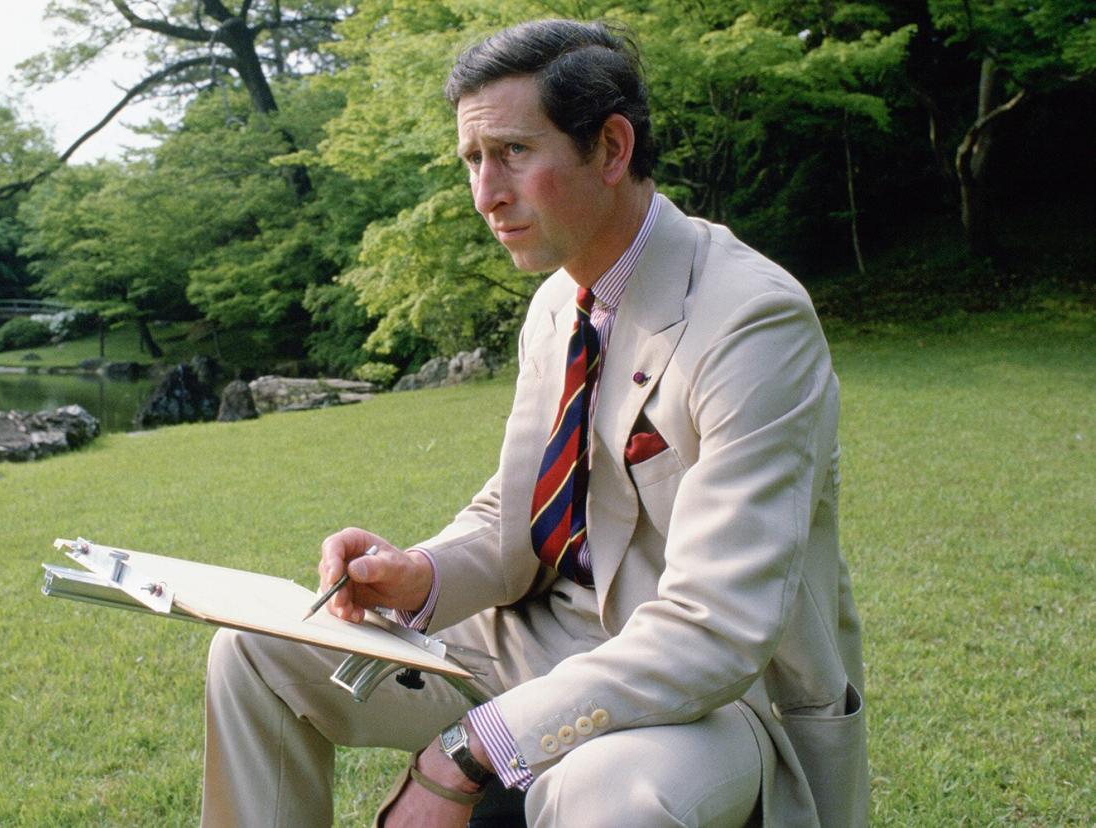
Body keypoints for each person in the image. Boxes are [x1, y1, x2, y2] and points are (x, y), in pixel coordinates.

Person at [202, 18, 867, 828]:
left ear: (612, 149)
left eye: (514, 152)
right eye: (474, 160)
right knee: (252, 650)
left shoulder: (753, 323)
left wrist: (467, 749)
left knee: (607, 795)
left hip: (711, 697)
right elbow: (521, 511)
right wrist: (419, 572)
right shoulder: (557, 303)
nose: (486, 194)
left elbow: (717, 628)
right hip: (533, 640)